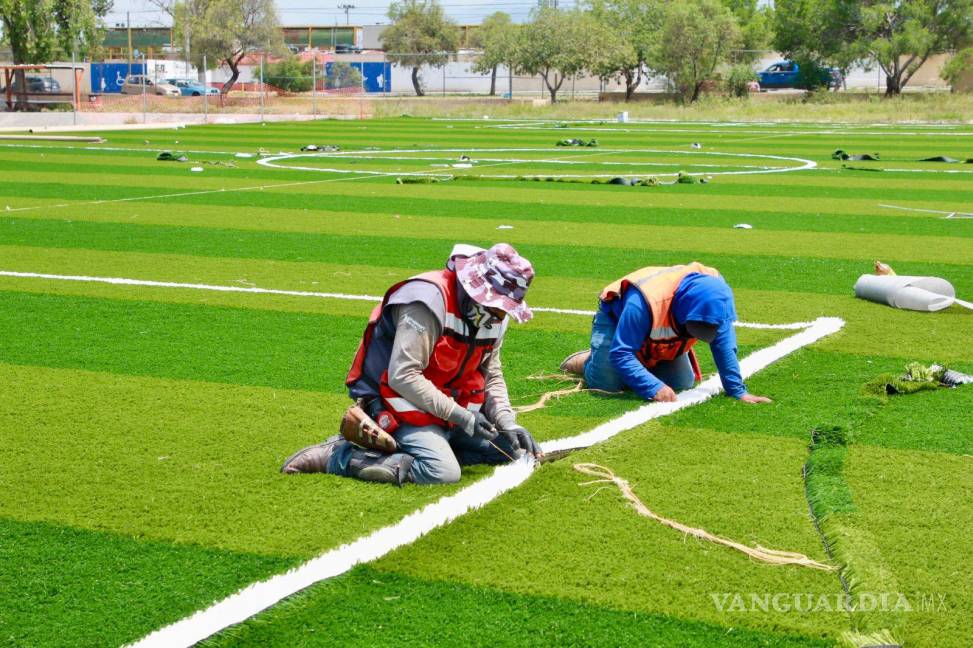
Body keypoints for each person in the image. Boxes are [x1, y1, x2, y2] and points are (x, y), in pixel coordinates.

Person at [281, 243, 542, 485]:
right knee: (443, 472)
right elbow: (403, 375)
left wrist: (508, 422)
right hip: (398, 402)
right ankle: (342, 456)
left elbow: (491, 374)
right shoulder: (428, 302)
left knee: (513, 451)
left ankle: (436, 445)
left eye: (505, 310)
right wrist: (462, 416)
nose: (500, 317)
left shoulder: (494, 317)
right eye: (497, 309)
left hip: (450, 408)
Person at [560, 263, 772, 405]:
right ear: (686, 310)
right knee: (607, 383)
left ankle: (634, 363)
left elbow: (724, 346)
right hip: (618, 322)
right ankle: (587, 359)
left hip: (662, 336)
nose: (700, 334)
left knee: (681, 383)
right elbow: (622, 353)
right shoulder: (644, 301)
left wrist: (738, 391)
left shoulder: (715, 302)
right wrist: (653, 386)